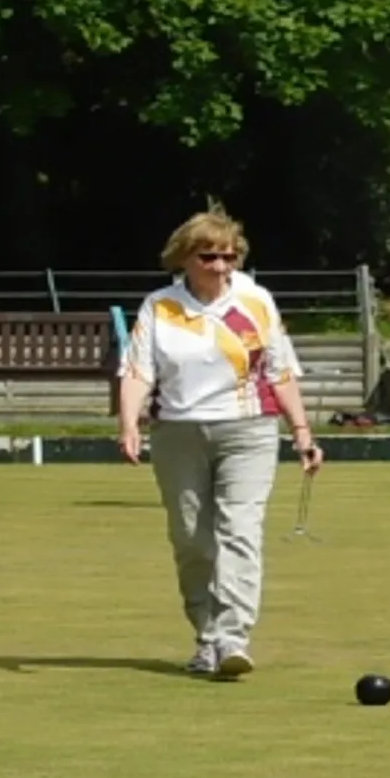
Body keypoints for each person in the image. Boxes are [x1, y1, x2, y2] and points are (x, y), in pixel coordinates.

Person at [116, 209, 325, 680]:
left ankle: (234, 638)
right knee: (192, 540)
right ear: (185, 257)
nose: (220, 266)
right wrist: (129, 423)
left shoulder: (255, 301)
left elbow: (281, 371)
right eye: (208, 256)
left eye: (229, 256)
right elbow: (138, 371)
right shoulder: (160, 306)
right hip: (178, 432)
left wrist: (303, 433)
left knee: (240, 531)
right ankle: (206, 637)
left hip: (248, 428)